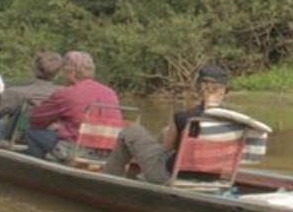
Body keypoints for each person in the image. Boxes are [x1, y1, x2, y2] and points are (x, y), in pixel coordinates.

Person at [103, 64, 231, 184]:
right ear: (224, 91)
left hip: (170, 176)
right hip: (211, 178)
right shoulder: (234, 122)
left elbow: (165, 149)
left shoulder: (184, 118)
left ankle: (109, 181)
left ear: (198, 88)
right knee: (164, 133)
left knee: (131, 131)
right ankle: (142, 174)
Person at [24, 51, 122, 160]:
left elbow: (35, 119)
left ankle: (37, 171)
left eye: (64, 70)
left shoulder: (67, 93)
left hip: (77, 151)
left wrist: (56, 125)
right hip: (107, 152)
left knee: (32, 132)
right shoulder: (110, 92)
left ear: (71, 72)